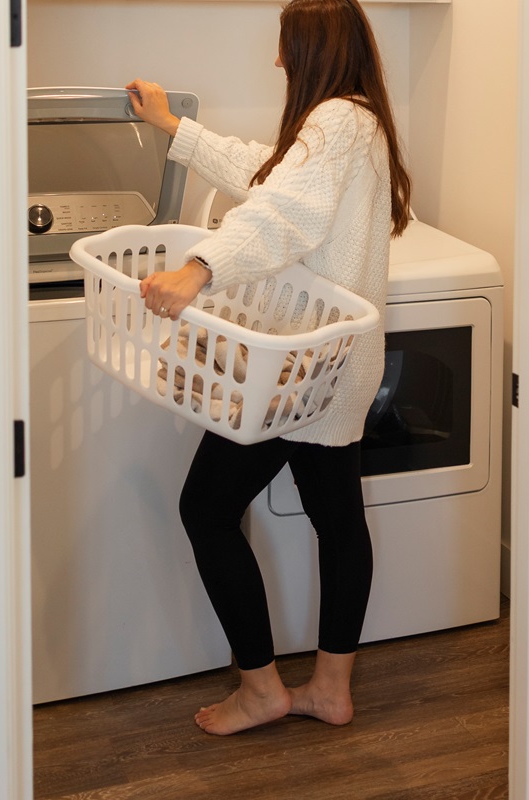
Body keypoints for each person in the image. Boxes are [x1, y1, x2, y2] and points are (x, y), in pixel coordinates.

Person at [124, 0, 411, 736]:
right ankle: (331, 689)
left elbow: (281, 213)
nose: (277, 60)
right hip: (338, 364)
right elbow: (269, 175)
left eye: (285, 46)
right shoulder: (356, 121)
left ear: (310, 49)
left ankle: (260, 688)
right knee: (339, 520)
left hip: (296, 372)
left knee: (206, 510)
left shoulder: (338, 123)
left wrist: (199, 268)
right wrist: (173, 128)